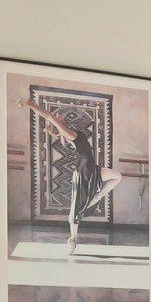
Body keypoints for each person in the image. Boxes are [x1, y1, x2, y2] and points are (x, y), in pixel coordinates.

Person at [22, 97, 124, 256]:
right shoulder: (69, 133)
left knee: (117, 176)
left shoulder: (68, 133)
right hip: (85, 169)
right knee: (76, 207)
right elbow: (48, 116)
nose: (60, 115)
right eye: (58, 116)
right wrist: (30, 104)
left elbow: (58, 131)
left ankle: (96, 197)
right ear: (57, 121)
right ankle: (73, 238)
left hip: (89, 167)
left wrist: (55, 130)